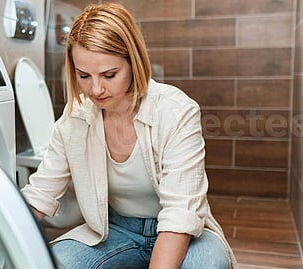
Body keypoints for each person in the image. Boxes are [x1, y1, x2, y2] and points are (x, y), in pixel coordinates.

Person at [20, 2, 238, 269]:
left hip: (187, 234)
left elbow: (180, 215)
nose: (96, 89)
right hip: (115, 231)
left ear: (133, 62)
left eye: (109, 75)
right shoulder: (75, 117)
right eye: (84, 76)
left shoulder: (176, 111)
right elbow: (40, 194)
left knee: (205, 265)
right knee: (57, 263)